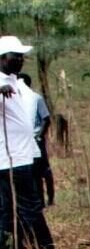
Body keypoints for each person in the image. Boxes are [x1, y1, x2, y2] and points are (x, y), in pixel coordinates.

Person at [0, 36, 56, 249]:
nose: (21, 59)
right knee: (27, 207)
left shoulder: (14, 81)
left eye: (22, 56)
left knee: (15, 208)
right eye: (16, 56)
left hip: (22, 156)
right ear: (2, 58)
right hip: (10, 158)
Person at [18, 72, 54, 207]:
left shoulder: (36, 98)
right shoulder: (17, 99)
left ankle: (49, 198)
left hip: (36, 140)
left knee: (43, 170)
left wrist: (39, 136)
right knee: (31, 172)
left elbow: (46, 119)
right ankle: (37, 201)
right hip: (24, 141)